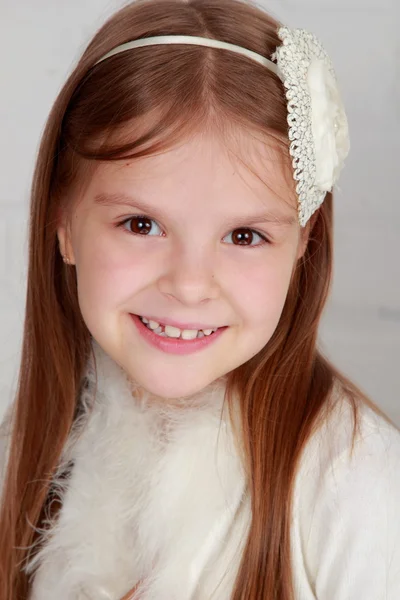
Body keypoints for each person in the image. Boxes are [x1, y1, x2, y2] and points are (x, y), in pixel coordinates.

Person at [0, 0, 399, 598]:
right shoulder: (24, 459)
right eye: (141, 225)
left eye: (244, 236)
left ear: (302, 243)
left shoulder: (363, 495)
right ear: (63, 222)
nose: (189, 284)